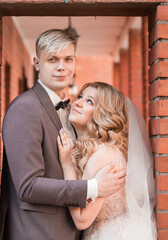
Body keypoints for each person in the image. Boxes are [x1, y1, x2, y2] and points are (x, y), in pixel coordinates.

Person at [0, 29, 126, 240]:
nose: (61, 67)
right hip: (38, 233)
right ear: (37, 63)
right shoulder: (25, 108)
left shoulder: (70, 111)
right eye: (52, 59)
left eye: (68, 59)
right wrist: (93, 187)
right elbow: (28, 187)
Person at [57, 82, 157, 240]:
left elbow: (82, 220)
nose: (78, 102)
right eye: (80, 97)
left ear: (103, 114)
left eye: (90, 101)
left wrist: (67, 163)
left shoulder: (103, 157)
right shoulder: (98, 150)